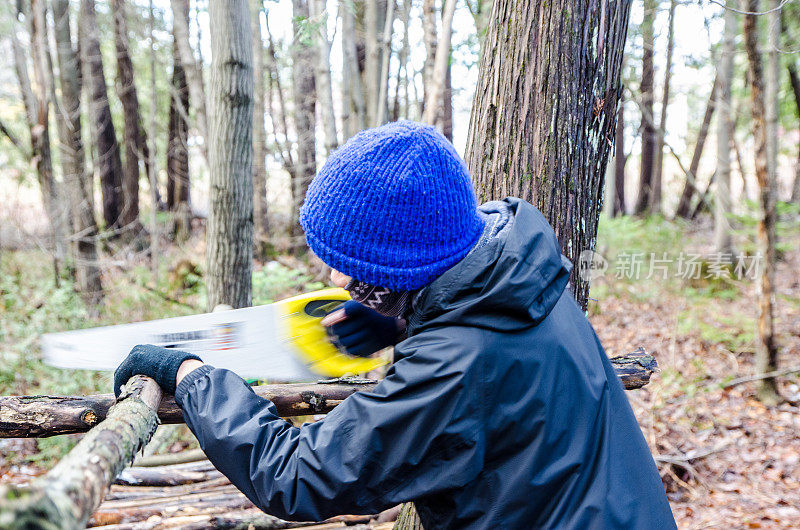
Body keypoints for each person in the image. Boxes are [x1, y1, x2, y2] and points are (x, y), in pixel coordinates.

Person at [115, 121, 676, 529]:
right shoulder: (519, 275)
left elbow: (296, 477)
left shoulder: (456, 366)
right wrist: (402, 320)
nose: (335, 274)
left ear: (399, 263)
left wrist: (192, 376)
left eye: (347, 260)